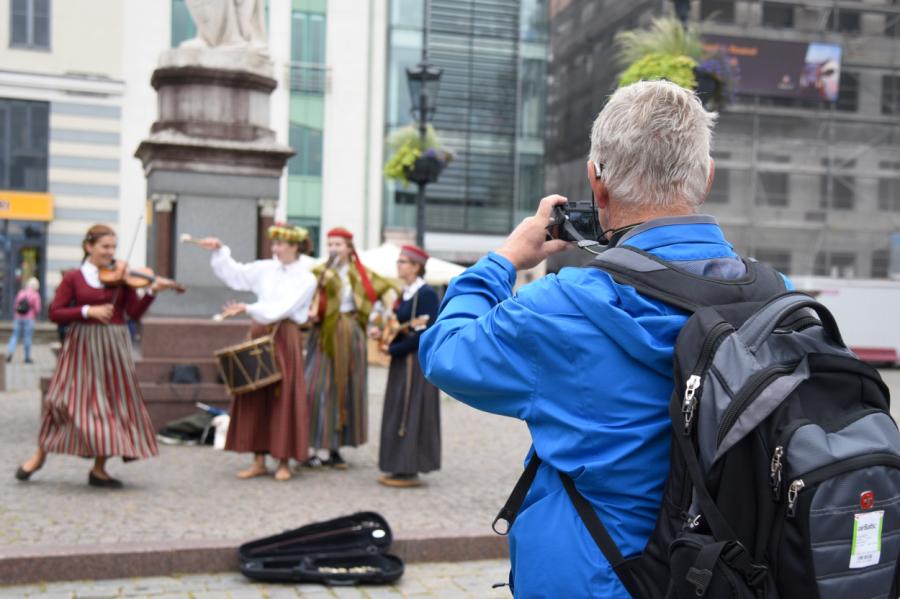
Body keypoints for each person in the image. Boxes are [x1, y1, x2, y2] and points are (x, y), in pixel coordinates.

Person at [419, 81, 784, 598]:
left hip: (605, 579)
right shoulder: (775, 295)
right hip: (736, 577)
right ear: (705, 180)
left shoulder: (564, 308)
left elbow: (444, 351)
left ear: (598, 185)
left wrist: (502, 262)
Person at [15, 224, 180, 487]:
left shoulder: (122, 278)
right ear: (88, 247)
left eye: (113, 247)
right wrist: (86, 311)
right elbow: (55, 312)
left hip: (113, 346)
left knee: (112, 405)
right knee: (60, 400)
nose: (110, 252)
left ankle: (99, 469)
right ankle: (40, 455)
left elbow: (133, 313)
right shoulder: (74, 278)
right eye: (105, 247)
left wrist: (150, 292)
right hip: (82, 344)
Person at [196, 223, 317, 481]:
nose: (276, 249)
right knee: (256, 392)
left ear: (295, 246)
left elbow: (283, 308)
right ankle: (258, 459)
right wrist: (220, 251)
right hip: (261, 332)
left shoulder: (307, 278)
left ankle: (284, 460)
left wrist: (249, 309)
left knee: (283, 395)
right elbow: (236, 275)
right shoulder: (266, 268)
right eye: (274, 244)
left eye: (281, 244)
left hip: (285, 336)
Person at [305, 227, 396, 469]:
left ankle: (334, 449)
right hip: (323, 335)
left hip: (351, 334)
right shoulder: (317, 273)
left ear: (349, 248)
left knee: (344, 389)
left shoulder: (361, 274)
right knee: (315, 389)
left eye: (338, 245)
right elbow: (304, 300)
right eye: (330, 244)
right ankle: (313, 446)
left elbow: (387, 296)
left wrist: (382, 323)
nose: (333, 249)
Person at [374, 244, 441, 488]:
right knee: (397, 409)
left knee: (410, 411)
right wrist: (382, 335)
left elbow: (424, 333)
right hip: (402, 361)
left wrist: (393, 349)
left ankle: (409, 467)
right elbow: (400, 326)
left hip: (414, 363)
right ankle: (397, 465)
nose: (398, 265)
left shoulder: (426, 294)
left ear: (416, 267)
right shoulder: (405, 292)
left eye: (403, 262)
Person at [6, 277, 41, 364]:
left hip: (18, 317)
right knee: (27, 337)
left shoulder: (21, 292)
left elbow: (15, 306)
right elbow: (37, 309)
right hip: (29, 318)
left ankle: (10, 352)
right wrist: (34, 315)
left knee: (14, 336)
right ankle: (27, 357)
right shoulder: (35, 295)